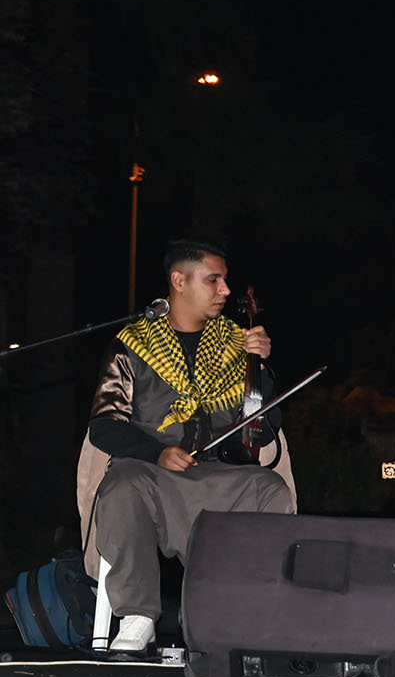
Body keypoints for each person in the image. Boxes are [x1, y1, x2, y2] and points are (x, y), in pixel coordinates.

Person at [87, 238, 294, 655]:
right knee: (121, 487)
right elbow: (104, 427)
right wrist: (156, 453)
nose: (225, 290)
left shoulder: (237, 343)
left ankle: (237, 609)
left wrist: (261, 369)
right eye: (213, 280)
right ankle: (137, 615)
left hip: (216, 473)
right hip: (150, 472)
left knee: (269, 490)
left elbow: (264, 428)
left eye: (225, 280)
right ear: (179, 281)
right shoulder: (132, 345)